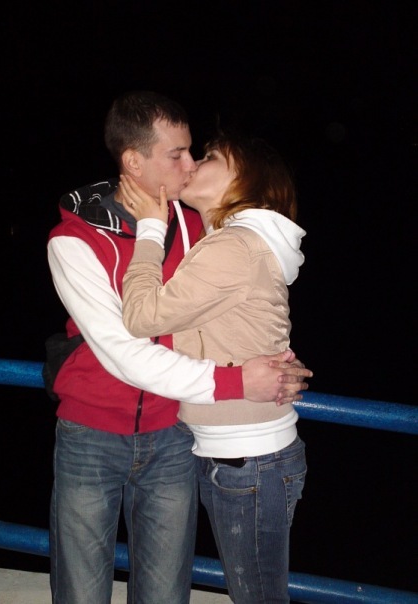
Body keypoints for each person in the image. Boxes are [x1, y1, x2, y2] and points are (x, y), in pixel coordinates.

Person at [46, 90, 312, 604]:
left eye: (196, 153)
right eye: (178, 154)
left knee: (166, 593)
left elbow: (245, 295)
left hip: (175, 434)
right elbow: (125, 350)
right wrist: (239, 380)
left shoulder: (197, 225)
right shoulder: (73, 241)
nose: (189, 165)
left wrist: (278, 359)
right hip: (91, 433)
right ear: (134, 161)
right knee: (81, 589)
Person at [120, 130, 308, 603]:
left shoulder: (234, 247)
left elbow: (141, 315)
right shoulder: (235, 243)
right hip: (242, 455)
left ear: (242, 179)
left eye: (209, 157)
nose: (192, 164)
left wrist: (149, 229)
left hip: (247, 460)